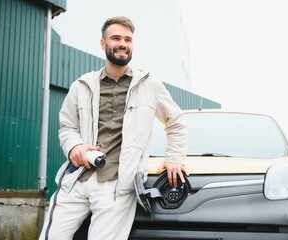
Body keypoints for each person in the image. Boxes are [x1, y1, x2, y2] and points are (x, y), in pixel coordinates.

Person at [39, 16, 188, 240]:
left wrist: (174, 157)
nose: (122, 44)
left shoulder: (149, 84)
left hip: (117, 187)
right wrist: (74, 147)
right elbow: (67, 127)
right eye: (116, 38)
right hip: (76, 181)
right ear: (103, 43)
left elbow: (176, 121)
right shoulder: (82, 85)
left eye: (128, 39)